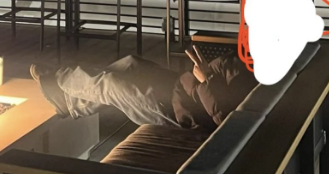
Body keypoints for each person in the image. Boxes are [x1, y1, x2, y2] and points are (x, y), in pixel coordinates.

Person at [30, 44, 256, 133]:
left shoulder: (257, 80)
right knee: (131, 64)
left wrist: (206, 80)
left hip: (178, 110)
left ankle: (56, 80)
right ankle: (71, 103)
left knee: (111, 84)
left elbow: (225, 121)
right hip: (183, 88)